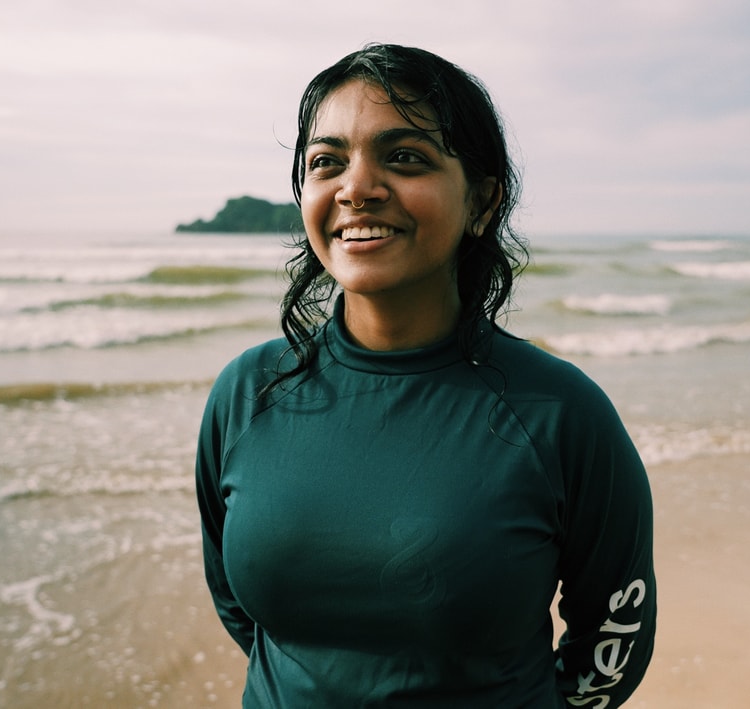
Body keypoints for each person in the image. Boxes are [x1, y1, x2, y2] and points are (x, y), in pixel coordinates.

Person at [196, 43, 655, 708]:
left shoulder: (558, 413)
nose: (357, 187)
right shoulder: (246, 393)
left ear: (481, 202)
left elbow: (616, 638)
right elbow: (241, 609)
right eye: (327, 162)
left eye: (404, 156)